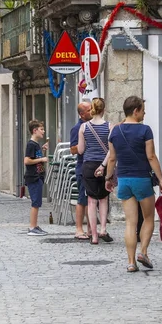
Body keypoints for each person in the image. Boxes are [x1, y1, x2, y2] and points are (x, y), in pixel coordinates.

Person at [106, 96, 162, 272]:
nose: (144, 113)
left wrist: (108, 179)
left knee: (130, 223)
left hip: (124, 181)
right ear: (136, 111)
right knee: (148, 219)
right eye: (142, 110)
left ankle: (131, 262)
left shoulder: (115, 132)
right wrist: (161, 180)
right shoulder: (145, 130)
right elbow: (151, 157)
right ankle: (144, 252)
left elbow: (112, 158)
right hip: (141, 180)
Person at [77, 98, 113, 245]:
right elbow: (112, 150)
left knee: (91, 200)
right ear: (103, 110)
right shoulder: (110, 126)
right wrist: (103, 165)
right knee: (103, 198)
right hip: (104, 165)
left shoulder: (84, 127)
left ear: (91, 109)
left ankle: (94, 236)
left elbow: (80, 150)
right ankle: (103, 228)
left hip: (89, 165)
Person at [70, 101, 92, 240]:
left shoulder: (92, 126)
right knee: (82, 199)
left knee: (92, 199)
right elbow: (72, 149)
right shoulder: (77, 128)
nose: (92, 111)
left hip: (91, 166)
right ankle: (79, 229)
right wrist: (84, 144)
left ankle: (91, 228)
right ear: (82, 114)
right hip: (82, 166)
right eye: (89, 110)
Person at [24, 119, 49, 236]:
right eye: (41, 129)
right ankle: (32, 227)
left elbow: (35, 159)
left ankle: (35, 225)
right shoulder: (31, 144)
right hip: (33, 177)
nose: (43, 132)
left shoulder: (36, 145)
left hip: (38, 176)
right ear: (35, 130)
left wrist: (42, 151)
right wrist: (42, 159)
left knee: (37, 202)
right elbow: (27, 160)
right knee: (35, 203)